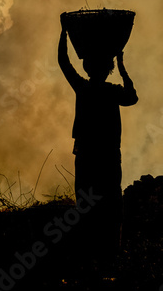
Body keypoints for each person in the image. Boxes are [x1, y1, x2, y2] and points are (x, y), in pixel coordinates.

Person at [58, 18, 138, 263]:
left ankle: (88, 251)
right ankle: (111, 250)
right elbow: (132, 97)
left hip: (86, 155)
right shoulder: (113, 92)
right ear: (108, 69)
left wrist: (63, 33)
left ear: (88, 68)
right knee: (112, 202)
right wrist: (123, 67)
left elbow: (63, 62)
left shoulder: (82, 88)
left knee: (85, 202)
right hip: (109, 156)